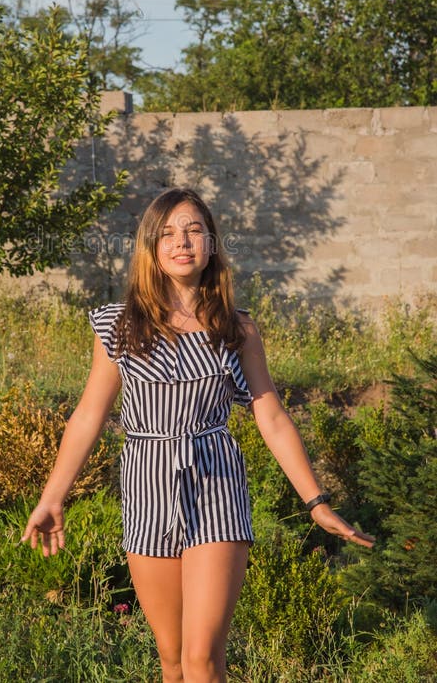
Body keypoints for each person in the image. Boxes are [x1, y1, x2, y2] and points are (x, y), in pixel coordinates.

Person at [22, 187, 374, 683]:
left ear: (211, 242)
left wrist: (316, 501)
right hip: (146, 482)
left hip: (216, 483)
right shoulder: (119, 325)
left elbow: (270, 416)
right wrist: (52, 498)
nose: (181, 242)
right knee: (171, 659)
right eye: (167, 233)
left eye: (193, 230)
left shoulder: (236, 327)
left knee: (202, 658)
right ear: (151, 247)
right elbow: (88, 416)